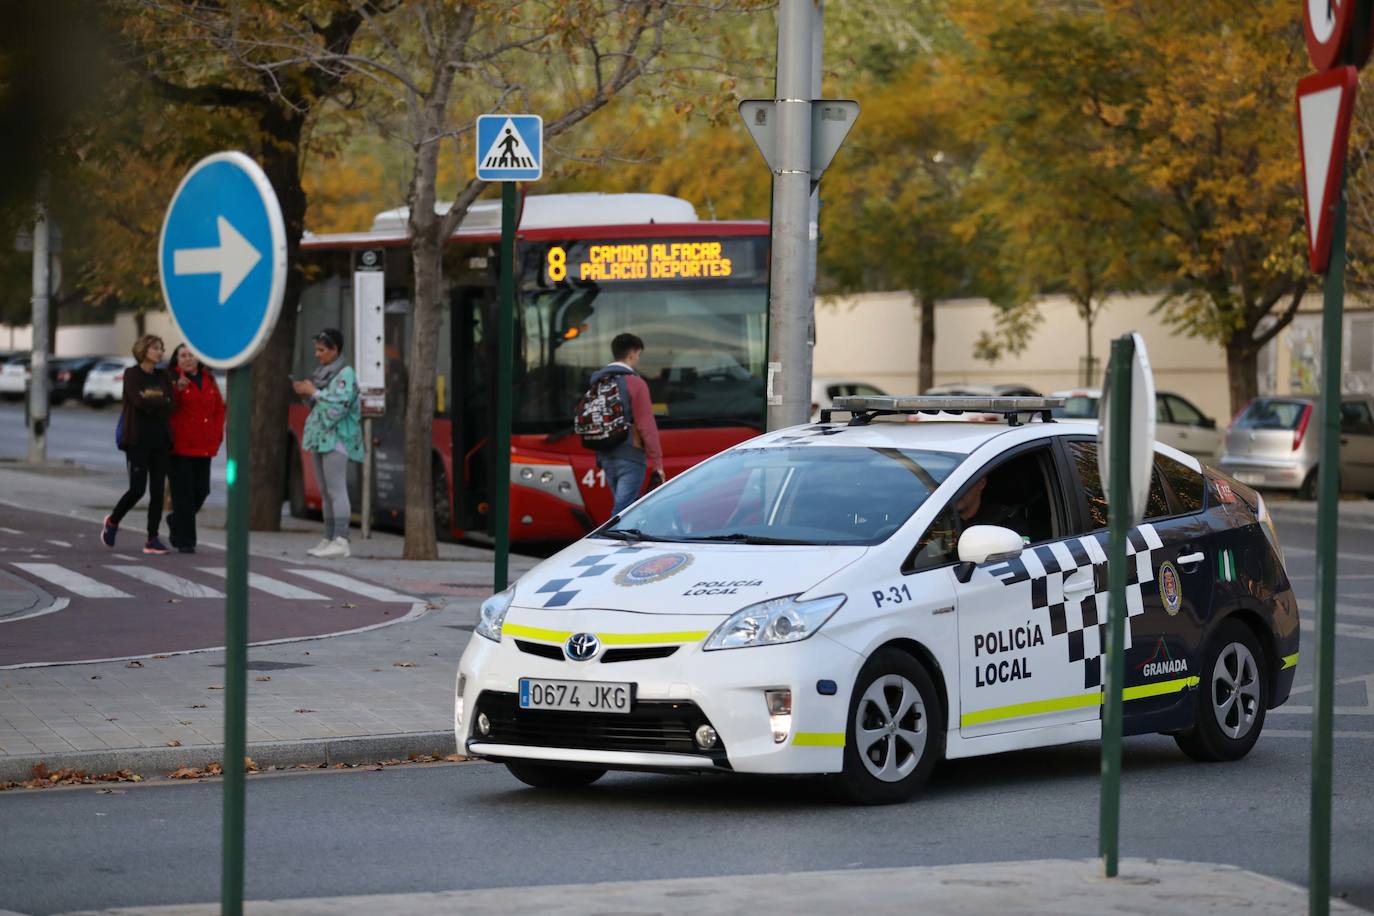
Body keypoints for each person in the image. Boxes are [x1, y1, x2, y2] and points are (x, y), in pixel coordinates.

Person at [102, 334, 176, 555]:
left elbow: (171, 404)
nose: (159, 352)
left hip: (160, 439)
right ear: (144, 350)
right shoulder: (132, 374)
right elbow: (138, 400)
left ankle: (152, 538)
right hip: (137, 440)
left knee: (156, 492)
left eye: (161, 348)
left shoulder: (163, 376)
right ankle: (113, 521)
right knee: (137, 489)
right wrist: (158, 401)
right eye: (155, 348)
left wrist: (155, 401)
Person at [293, 328, 363, 559]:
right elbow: (319, 405)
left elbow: (338, 407)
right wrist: (309, 393)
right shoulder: (324, 372)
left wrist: (314, 392)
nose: (317, 354)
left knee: (336, 489)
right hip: (320, 439)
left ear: (335, 350)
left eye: (322, 350)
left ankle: (342, 539)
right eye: (316, 349)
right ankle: (329, 536)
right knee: (325, 490)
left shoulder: (346, 374)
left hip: (337, 439)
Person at [590, 333, 664, 515]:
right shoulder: (636, 383)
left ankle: (620, 541)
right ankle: (605, 540)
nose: (637, 359)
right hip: (630, 456)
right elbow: (646, 424)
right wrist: (657, 463)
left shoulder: (597, 381)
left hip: (605, 454)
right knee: (624, 512)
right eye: (638, 355)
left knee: (623, 506)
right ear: (632, 354)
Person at [166, 344, 225, 554]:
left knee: (202, 490)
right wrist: (177, 391)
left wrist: (217, 433)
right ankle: (186, 541)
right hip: (179, 446)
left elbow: (219, 407)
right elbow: (167, 407)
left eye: (191, 355)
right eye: (183, 355)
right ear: (176, 359)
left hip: (204, 445)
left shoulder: (208, 378)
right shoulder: (171, 379)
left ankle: (175, 521)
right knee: (183, 495)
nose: (188, 359)